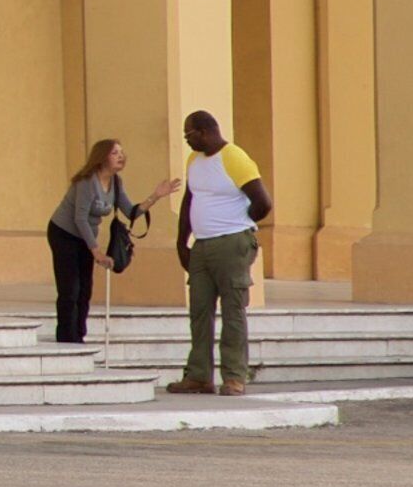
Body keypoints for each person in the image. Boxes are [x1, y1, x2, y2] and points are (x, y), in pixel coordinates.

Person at [170, 108, 275, 395]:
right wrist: (182, 241)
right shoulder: (194, 160)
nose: (187, 141)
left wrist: (240, 222)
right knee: (200, 311)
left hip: (232, 242)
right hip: (202, 245)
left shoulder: (234, 158)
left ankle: (234, 376)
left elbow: (263, 202)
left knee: (232, 311)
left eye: (189, 135)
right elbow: (189, 201)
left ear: (204, 132)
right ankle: (199, 375)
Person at [45, 138, 167, 345]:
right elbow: (80, 218)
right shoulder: (87, 182)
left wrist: (155, 197)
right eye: (114, 153)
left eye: (121, 152)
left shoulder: (116, 183)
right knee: (70, 288)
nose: (121, 156)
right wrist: (97, 253)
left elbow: (130, 211)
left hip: (85, 236)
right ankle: (66, 337)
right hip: (64, 233)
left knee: (86, 288)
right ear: (101, 158)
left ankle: (79, 335)